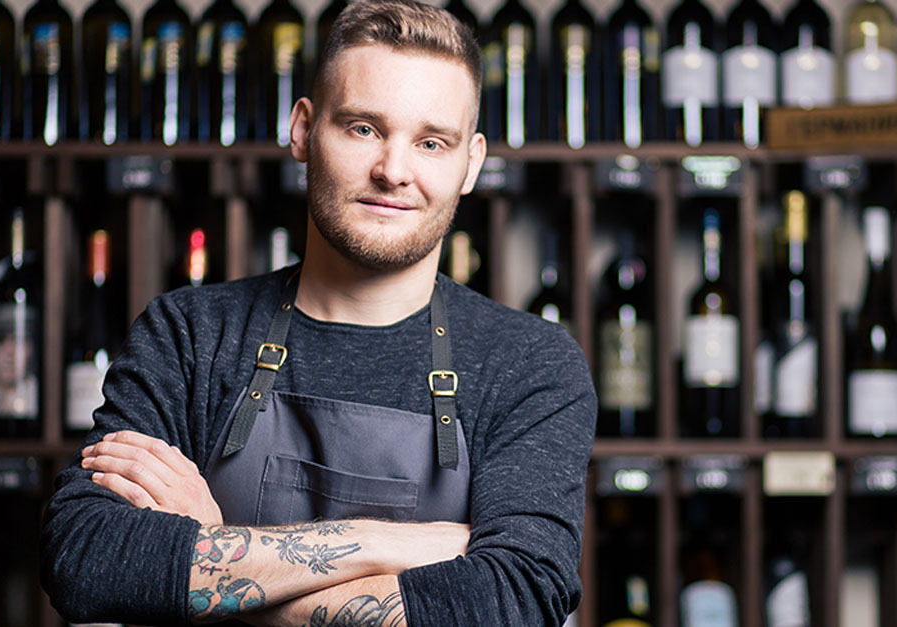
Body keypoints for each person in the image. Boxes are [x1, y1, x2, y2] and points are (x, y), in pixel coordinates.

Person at [39, 1, 597, 625]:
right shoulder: (190, 334)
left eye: (431, 142)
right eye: (363, 128)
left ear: (469, 163)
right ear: (304, 130)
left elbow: (514, 597)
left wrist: (220, 563)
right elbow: (87, 557)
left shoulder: (529, 362)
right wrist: (397, 545)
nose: (393, 171)